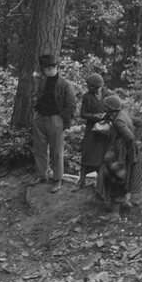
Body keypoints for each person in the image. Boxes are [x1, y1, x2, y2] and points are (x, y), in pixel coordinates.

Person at [30, 53, 77, 194]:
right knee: (39, 149)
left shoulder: (65, 84)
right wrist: (35, 106)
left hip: (55, 119)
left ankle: (57, 179)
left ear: (57, 67)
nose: (50, 69)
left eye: (53, 66)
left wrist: (61, 119)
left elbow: (71, 105)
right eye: (47, 67)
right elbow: (37, 95)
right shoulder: (42, 81)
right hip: (40, 118)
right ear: (43, 69)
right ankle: (41, 175)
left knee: (57, 151)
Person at [96, 95, 142, 221]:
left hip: (120, 154)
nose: (104, 108)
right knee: (125, 178)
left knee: (115, 179)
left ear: (110, 109)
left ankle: (115, 214)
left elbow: (129, 137)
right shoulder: (124, 113)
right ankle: (124, 202)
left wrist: (123, 147)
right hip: (129, 152)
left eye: (106, 107)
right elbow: (141, 124)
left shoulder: (118, 121)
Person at [76, 73, 112, 188]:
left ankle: (101, 182)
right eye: (88, 86)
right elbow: (83, 113)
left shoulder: (109, 95)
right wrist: (94, 116)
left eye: (91, 86)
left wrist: (107, 116)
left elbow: (117, 108)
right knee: (87, 153)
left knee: (102, 155)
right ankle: (81, 180)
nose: (89, 88)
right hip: (91, 130)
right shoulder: (87, 96)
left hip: (105, 131)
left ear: (98, 86)